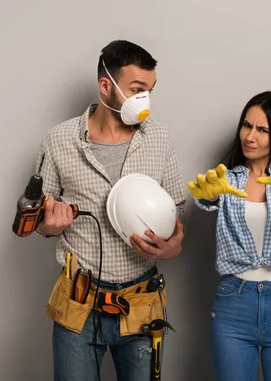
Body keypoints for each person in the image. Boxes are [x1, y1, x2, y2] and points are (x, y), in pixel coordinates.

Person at [34, 40, 186, 381]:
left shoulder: (160, 138)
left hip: (141, 303)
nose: (144, 99)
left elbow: (178, 206)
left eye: (149, 90)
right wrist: (50, 225)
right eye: (136, 89)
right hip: (79, 304)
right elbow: (38, 220)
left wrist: (177, 240)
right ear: (106, 86)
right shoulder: (59, 141)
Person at [187, 91, 271, 381]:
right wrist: (208, 196)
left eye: (263, 130)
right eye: (247, 125)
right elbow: (208, 199)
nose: (250, 136)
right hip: (233, 304)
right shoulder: (227, 179)